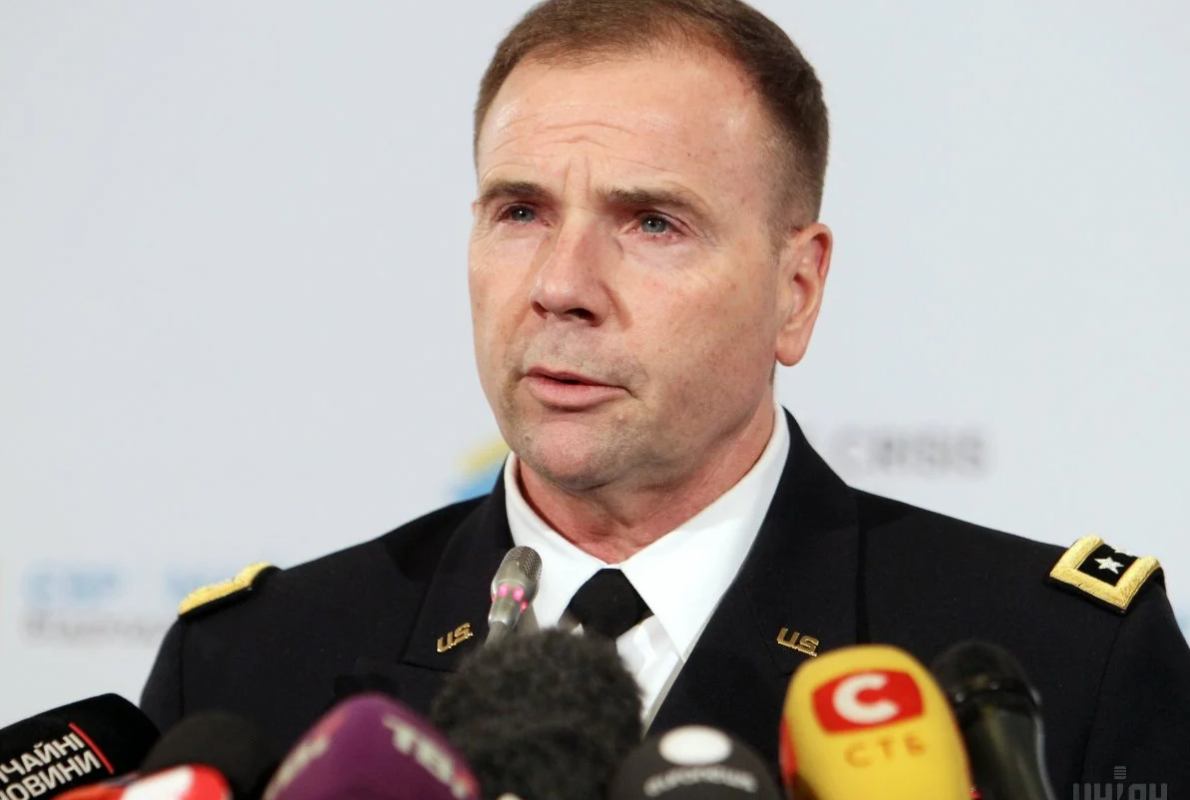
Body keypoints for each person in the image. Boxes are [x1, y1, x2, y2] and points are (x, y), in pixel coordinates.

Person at [142, 0, 1190, 790]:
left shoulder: (1059, 663)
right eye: (519, 211)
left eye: (651, 222)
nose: (560, 285)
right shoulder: (249, 668)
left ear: (795, 290)